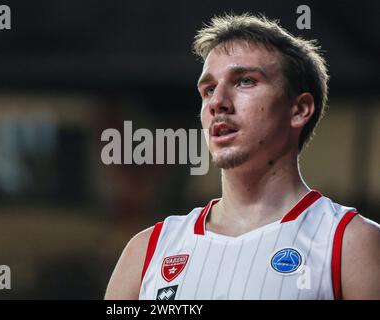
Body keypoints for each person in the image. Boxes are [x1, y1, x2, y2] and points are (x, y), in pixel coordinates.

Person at [104, 13, 380, 300]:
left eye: (245, 81)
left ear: (298, 110)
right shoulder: (147, 251)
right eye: (208, 89)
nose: (217, 102)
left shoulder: (352, 243)